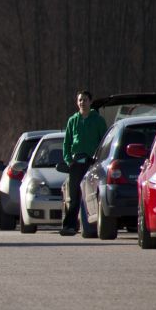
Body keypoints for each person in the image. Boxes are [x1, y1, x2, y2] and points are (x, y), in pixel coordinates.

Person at [60, 90, 107, 236]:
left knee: (91, 193)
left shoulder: (98, 120)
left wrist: (98, 160)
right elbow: (67, 142)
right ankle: (69, 226)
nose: (82, 103)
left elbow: (104, 141)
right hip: (76, 162)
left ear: (90, 102)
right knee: (74, 195)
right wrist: (69, 160)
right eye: (80, 100)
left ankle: (91, 225)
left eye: (85, 100)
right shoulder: (72, 120)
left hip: (91, 162)